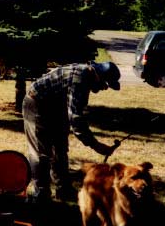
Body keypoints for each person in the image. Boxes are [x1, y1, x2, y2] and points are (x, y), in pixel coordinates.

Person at [22, 61, 120, 202]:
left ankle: (63, 190)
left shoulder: (86, 76)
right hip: (36, 103)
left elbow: (72, 112)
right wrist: (96, 145)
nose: (104, 89)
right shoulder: (80, 79)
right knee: (41, 152)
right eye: (105, 85)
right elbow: (76, 120)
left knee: (60, 149)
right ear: (98, 76)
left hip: (55, 106)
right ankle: (41, 194)